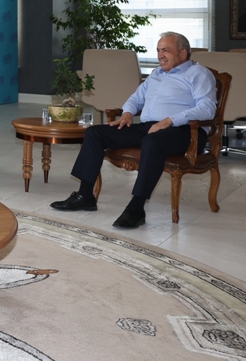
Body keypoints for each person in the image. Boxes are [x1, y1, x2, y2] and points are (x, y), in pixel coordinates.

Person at [51, 32, 216, 228]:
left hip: (186, 131)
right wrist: (128, 113)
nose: (160, 55)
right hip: (151, 127)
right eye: (158, 51)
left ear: (182, 53)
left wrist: (169, 120)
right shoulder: (156, 74)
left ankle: (136, 208)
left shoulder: (199, 74)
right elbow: (136, 98)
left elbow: (207, 108)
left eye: (165, 50)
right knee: (95, 133)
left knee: (152, 142)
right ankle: (85, 196)